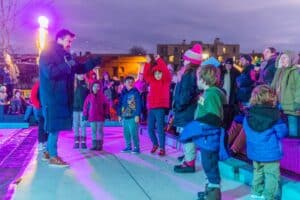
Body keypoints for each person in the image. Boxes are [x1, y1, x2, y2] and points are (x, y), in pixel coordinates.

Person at [39, 29, 101, 167]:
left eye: (71, 41)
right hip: (52, 96)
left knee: (55, 126)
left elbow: (79, 68)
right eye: (68, 40)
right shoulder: (47, 52)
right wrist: (67, 65)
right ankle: (53, 156)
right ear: (59, 39)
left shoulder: (66, 55)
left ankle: (49, 152)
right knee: (53, 127)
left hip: (62, 96)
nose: (70, 44)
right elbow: (49, 72)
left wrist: (93, 62)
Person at [180, 65, 227, 200]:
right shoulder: (207, 93)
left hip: (209, 138)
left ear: (203, 79)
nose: (196, 81)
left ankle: (214, 194)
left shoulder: (212, 94)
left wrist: (196, 125)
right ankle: (209, 190)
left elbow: (213, 117)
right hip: (206, 137)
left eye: (197, 79)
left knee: (210, 165)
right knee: (207, 164)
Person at [243, 85, 288, 200]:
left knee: (257, 172)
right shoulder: (275, 115)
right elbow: (281, 132)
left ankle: (256, 193)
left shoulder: (248, 114)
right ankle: (269, 196)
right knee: (271, 175)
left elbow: (246, 130)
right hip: (270, 153)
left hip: (254, 151)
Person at [173, 43, 202, 173]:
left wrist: (178, 106)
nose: (183, 61)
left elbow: (185, 94)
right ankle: (188, 158)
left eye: (185, 59)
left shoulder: (189, 75)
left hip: (186, 111)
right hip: (189, 110)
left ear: (190, 61)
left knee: (188, 136)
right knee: (187, 136)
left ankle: (189, 163)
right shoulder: (191, 73)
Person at [143, 54, 172, 156]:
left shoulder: (166, 81)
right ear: (154, 74)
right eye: (156, 73)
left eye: (160, 73)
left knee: (160, 129)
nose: (158, 75)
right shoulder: (152, 81)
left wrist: (159, 59)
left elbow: (166, 71)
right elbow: (146, 75)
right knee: (150, 129)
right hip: (151, 108)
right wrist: (147, 63)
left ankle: (162, 148)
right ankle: (155, 144)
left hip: (160, 108)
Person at [271, 51, 300, 137]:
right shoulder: (279, 71)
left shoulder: (296, 71)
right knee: (283, 132)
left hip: (292, 107)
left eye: (285, 57)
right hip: (279, 106)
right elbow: (273, 86)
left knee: (293, 133)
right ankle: (285, 149)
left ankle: (294, 150)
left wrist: (297, 103)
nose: (282, 59)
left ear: (291, 59)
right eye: (281, 57)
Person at [117, 76, 142, 154]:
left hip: (133, 116)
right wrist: (119, 115)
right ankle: (128, 146)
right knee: (126, 132)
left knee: (133, 132)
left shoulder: (135, 92)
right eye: (128, 82)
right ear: (125, 83)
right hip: (125, 116)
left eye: (132, 82)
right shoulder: (123, 93)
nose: (130, 83)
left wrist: (137, 115)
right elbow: (120, 104)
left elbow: (139, 104)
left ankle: (136, 147)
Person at [82, 81, 108, 151]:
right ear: (92, 88)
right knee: (93, 131)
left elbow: (106, 105)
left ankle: (100, 145)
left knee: (100, 131)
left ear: (100, 88)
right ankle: (94, 145)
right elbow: (85, 106)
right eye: (94, 86)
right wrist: (85, 115)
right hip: (92, 117)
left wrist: (106, 114)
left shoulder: (102, 96)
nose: (96, 88)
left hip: (100, 117)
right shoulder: (89, 96)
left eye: (98, 86)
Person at [30, 79, 48, 156]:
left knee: (47, 126)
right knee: (42, 125)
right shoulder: (38, 85)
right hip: (41, 108)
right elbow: (33, 96)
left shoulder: (49, 83)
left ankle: (46, 142)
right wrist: (38, 106)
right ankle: (41, 142)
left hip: (48, 108)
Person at [73, 74, 89, 149]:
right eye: (80, 74)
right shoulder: (73, 84)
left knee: (83, 125)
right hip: (74, 108)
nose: (82, 75)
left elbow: (89, 97)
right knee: (76, 125)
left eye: (83, 74)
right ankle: (76, 141)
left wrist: (88, 107)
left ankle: (83, 141)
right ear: (76, 75)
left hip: (83, 108)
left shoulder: (86, 84)